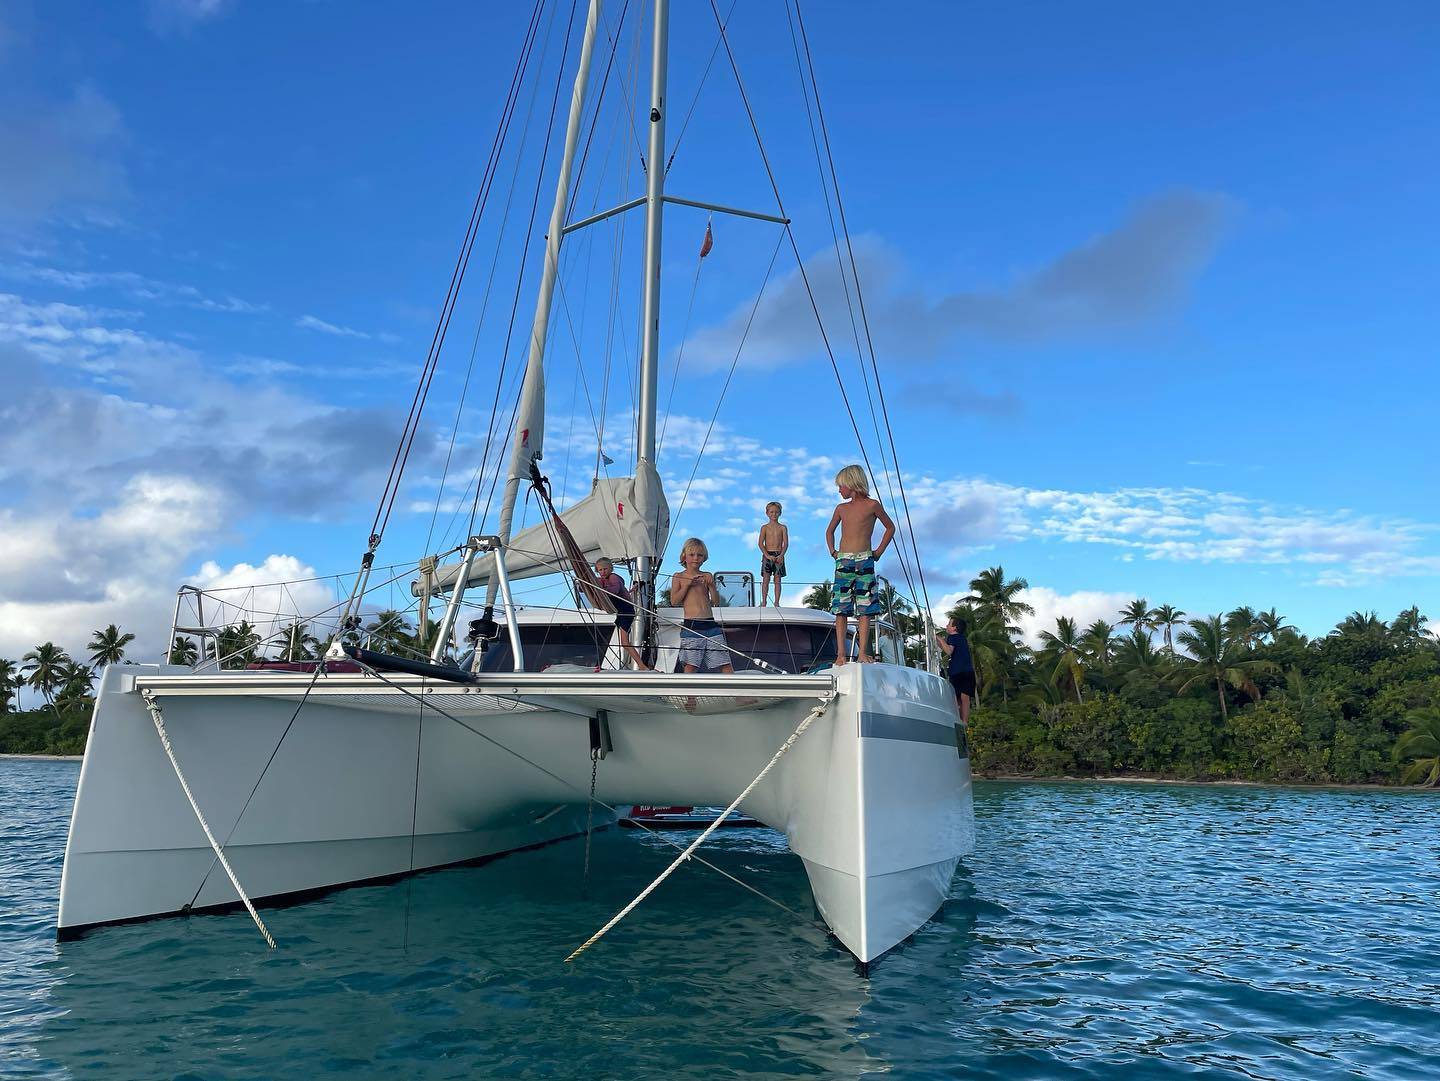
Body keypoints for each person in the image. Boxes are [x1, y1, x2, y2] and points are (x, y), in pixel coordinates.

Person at [824, 464, 895, 665]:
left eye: (841, 486)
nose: (839, 490)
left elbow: (890, 527)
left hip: (865, 560)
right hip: (844, 560)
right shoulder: (841, 508)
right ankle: (840, 655)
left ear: (851, 484)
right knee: (841, 609)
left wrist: (878, 552)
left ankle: (862, 652)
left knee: (866, 609)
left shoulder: (873, 505)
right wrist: (834, 553)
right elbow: (829, 531)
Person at [670, 537, 733, 673]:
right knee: (691, 666)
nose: (696, 558)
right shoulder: (678, 576)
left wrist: (711, 586)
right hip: (692, 627)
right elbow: (674, 601)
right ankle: (689, 695)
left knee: (725, 664)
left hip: (711, 625)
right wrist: (686, 585)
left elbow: (716, 602)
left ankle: (734, 694)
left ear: (704, 558)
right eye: (692, 555)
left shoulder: (707, 575)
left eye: (699, 555)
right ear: (684, 556)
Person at [594, 557, 649, 671]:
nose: (603, 572)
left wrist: (600, 589)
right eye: (600, 570)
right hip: (621, 612)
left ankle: (642, 666)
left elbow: (615, 590)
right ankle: (639, 665)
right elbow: (588, 587)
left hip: (626, 610)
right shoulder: (602, 580)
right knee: (623, 643)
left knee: (625, 642)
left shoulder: (614, 577)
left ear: (611, 568)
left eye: (605, 569)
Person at [936, 616, 974, 724]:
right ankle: (964, 721)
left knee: (961, 697)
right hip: (962, 671)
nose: (946, 626)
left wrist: (940, 639)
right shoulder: (961, 638)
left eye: (949, 624)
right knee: (962, 697)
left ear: (954, 628)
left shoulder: (953, 637)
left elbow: (948, 651)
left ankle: (962, 721)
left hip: (960, 672)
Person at [757, 501, 789, 607]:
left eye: (776, 512)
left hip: (779, 554)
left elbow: (785, 543)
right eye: (771, 512)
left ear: (780, 513)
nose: (774, 514)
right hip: (768, 554)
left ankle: (776, 602)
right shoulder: (764, 528)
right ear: (767, 513)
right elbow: (760, 543)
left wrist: (781, 555)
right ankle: (764, 601)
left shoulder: (783, 527)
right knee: (766, 578)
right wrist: (767, 555)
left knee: (777, 579)